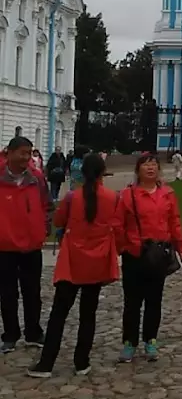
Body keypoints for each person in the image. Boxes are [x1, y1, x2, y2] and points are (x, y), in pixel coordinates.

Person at [28, 154, 120, 378]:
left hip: (73, 259)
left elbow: (59, 221)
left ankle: (46, 363)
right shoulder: (113, 197)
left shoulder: (72, 197)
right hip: (97, 260)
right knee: (88, 314)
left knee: (59, 313)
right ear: (102, 173)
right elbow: (116, 224)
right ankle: (82, 361)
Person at [116, 153, 182, 362]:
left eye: (154, 165)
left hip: (158, 254)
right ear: (138, 170)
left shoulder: (167, 193)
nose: (150, 168)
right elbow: (117, 224)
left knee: (154, 300)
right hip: (135, 253)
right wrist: (122, 247)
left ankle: (151, 340)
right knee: (132, 302)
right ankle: (129, 342)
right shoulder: (127, 195)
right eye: (146, 165)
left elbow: (174, 222)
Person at [0, 136, 51, 354]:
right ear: (9, 153)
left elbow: (47, 206)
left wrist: (44, 228)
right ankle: (10, 334)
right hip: (5, 246)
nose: (26, 158)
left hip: (32, 245)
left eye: (29, 153)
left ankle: (33, 332)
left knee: (32, 291)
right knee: (7, 293)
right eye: (22, 152)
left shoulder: (37, 179)